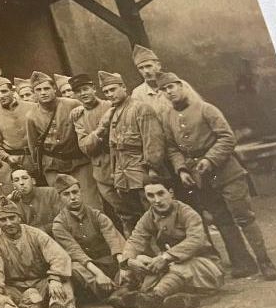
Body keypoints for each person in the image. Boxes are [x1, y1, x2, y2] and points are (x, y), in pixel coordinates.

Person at [158, 72, 276, 281]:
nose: (169, 92)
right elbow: (172, 148)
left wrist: (210, 159)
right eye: (164, 90)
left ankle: (265, 262)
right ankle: (243, 262)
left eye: (171, 87)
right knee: (222, 219)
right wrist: (182, 169)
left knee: (244, 216)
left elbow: (227, 138)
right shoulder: (168, 117)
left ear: (181, 86)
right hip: (200, 177)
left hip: (227, 172)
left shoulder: (206, 109)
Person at [117, 181, 225, 308]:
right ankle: (183, 299)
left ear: (171, 193)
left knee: (180, 268)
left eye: (161, 193)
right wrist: (128, 261)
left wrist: (165, 257)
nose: (156, 200)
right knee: (141, 260)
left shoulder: (187, 212)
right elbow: (135, 239)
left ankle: (154, 297)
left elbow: (195, 240)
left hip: (203, 265)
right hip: (171, 266)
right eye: (150, 196)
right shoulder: (149, 216)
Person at [0, 196, 76, 308]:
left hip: (41, 283)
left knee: (64, 284)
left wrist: (54, 278)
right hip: (15, 288)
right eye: (3, 219)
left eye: (12, 218)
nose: (8, 223)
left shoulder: (35, 234)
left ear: (19, 218)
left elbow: (59, 256)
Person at [98, 70, 168, 234]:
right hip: (123, 177)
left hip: (142, 174)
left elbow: (153, 142)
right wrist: (115, 173)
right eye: (106, 92)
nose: (110, 95)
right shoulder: (113, 114)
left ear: (123, 87)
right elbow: (113, 148)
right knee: (138, 222)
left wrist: (152, 170)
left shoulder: (141, 108)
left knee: (159, 217)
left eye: (113, 89)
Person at [24, 71, 98, 209]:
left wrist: (83, 107)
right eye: (38, 90)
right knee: (63, 205)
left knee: (90, 203)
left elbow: (91, 116)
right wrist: (40, 169)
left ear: (54, 89)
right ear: (34, 93)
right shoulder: (31, 116)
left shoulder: (72, 104)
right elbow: (33, 146)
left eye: (46, 88)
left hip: (79, 161)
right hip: (54, 166)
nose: (43, 92)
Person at [50, 173, 124, 303]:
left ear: (80, 192)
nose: (73, 197)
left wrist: (123, 267)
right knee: (73, 267)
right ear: (60, 197)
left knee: (128, 259)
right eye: (66, 194)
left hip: (108, 262)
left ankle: (121, 286)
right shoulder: (59, 224)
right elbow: (75, 252)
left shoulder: (96, 215)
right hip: (88, 269)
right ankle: (114, 292)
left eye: (75, 192)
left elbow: (113, 240)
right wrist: (99, 274)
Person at [70, 72, 116, 213]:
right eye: (78, 91)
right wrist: (100, 130)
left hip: (120, 165)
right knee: (120, 212)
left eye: (85, 89)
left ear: (94, 89)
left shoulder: (110, 106)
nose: (83, 93)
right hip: (101, 171)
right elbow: (85, 147)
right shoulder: (78, 116)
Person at [0, 77, 31, 169]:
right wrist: (7, 157)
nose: (1, 96)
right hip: (16, 162)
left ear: (12, 91)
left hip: (40, 157)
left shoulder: (32, 107)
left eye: (4, 91)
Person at [10, 167, 63, 236]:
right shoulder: (14, 202)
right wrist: (13, 205)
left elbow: (62, 219)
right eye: (16, 180)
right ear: (13, 185)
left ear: (33, 181)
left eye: (25, 178)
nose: (21, 183)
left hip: (56, 235)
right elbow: (18, 230)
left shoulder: (51, 193)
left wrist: (41, 230)